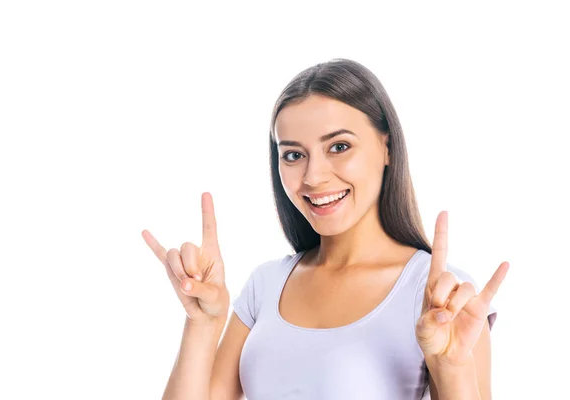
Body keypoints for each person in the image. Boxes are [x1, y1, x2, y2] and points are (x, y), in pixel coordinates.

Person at [142, 58, 509, 400]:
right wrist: (203, 325)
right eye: (293, 155)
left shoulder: (440, 297)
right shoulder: (265, 286)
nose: (313, 176)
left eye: (339, 146)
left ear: (388, 148)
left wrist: (451, 369)